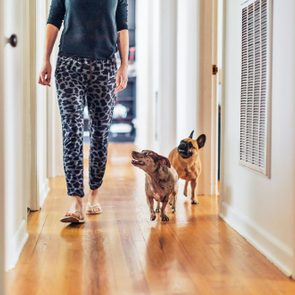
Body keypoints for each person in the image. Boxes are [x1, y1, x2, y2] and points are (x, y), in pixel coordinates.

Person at [38, 0, 129, 223]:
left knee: (100, 133)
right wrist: (45, 59)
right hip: (69, 65)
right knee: (72, 132)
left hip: (105, 65)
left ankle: (94, 195)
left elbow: (122, 25)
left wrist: (124, 65)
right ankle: (76, 201)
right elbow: (54, 19)